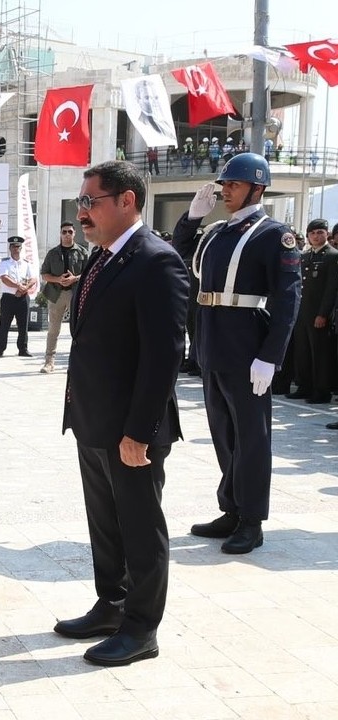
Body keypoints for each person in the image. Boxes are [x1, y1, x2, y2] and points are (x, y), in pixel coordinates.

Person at [56, 160, 188, 667]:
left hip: (132, 429)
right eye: (81, 202)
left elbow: (163, 355)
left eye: (91, 202)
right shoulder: (101, 256)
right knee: (105, 524)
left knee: (139, 527)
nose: (82, 213)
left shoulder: (156, 260)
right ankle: (111, 604)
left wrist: (140, 431)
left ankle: (141, 629)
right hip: (93, 419)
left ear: (127, 201)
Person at [172, 153, 301, 554]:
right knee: (224, 433)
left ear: (257, 189)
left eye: (234, 184)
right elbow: (179, 253)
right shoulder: (216, 232)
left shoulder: (274, 234)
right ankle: (231, 508)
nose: (225, 191)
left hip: (247, 345)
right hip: (212, 341)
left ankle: (251, 520)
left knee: (252, 437)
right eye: (225, 184)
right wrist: (192, 218)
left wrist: (270, 356)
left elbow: (288, 300)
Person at [287, 219, 338, 404]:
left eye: (320, 232)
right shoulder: (305, 256)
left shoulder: (332, 256)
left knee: (320, 354)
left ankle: (321, 391)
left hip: (319, 314)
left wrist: (323, 314)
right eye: (312, 233)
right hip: (302, 312)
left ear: (327, 234)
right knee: (302, 352)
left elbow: (331, 289)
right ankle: (304, 386)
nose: (316, 236)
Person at [39, 222, 89, 373]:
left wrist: (75, 278)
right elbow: (44, 274)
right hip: (56, 294)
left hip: (75, 293)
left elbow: (89, 273)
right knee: (53, 330)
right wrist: (58, 279)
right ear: (60, 234)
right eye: (64, 232)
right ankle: (49, 362)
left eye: (70, 232)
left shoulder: (82, 252)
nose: (67, 235)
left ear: (75, 233)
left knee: (78, 329)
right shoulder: (53, 253)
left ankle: (78, 363)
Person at [0, 237, 37, 357]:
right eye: (13, 246)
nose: (16, 249)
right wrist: (18, 286)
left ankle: (23, 349)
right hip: (8, 298)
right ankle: (0, 349)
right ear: (10, 248)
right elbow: (4, 278)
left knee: (23, 325)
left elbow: (33, 278)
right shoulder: (5, 262)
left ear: (21, 248)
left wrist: (24, 288)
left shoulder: (26, 263)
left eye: (18, 246)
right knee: (4, 324)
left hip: (22, 297)